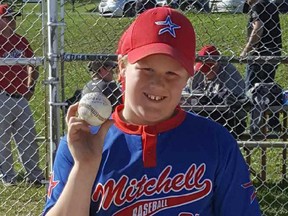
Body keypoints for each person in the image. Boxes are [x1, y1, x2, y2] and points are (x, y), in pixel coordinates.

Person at [43, 7, 261, 215]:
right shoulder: (83, 142)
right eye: (146, 69)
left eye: (172, 73)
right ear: (122, 67)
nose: (158, 83)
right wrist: (84, 167)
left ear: (187, 78)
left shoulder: (216, 142)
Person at [0, 4, 44, 186]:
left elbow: (33, 65)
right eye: (7, 18)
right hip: (2, 95)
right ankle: (7, 176)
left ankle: (34, 175)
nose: (12, 21)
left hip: (21, 97)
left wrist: (30, 87)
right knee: (2, 140)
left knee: (28, 137)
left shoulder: (21, 41)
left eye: (14, 18)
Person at [240, 0, 282, 134]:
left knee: (252, 91)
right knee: (267, 89)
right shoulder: (271, 6)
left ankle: (255, 127)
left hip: (259, 56)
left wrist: (246, 50)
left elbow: (258, 28)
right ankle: (273, 123)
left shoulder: (258, 5)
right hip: (273, 53)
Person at [187, 45, 247, 137]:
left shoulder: (229, 73)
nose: (204, 72)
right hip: (200, 115)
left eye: (208, 69)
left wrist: (207, 99)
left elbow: (233, 102)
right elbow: (186, 92)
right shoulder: (197, 72)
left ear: (217, 64)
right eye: (202, 69)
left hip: (226, 119)